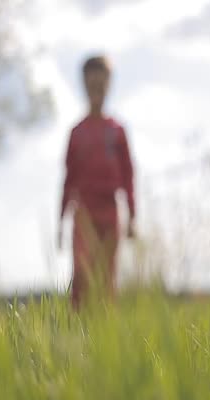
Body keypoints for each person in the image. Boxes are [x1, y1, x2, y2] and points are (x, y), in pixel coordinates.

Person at [58, 55, 136, 310]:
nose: (97, 92)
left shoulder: (117, 131)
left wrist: (133, 216)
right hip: (83, 212)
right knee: (82, 272)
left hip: (110, 211)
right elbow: (68, 179)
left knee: (107, 276)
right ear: (84, 85)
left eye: (101, 86)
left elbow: (128, 175)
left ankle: (104, 340)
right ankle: (76, 336)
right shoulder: (77, 133)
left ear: (109, 86)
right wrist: (61, 220)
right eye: (92, 86)